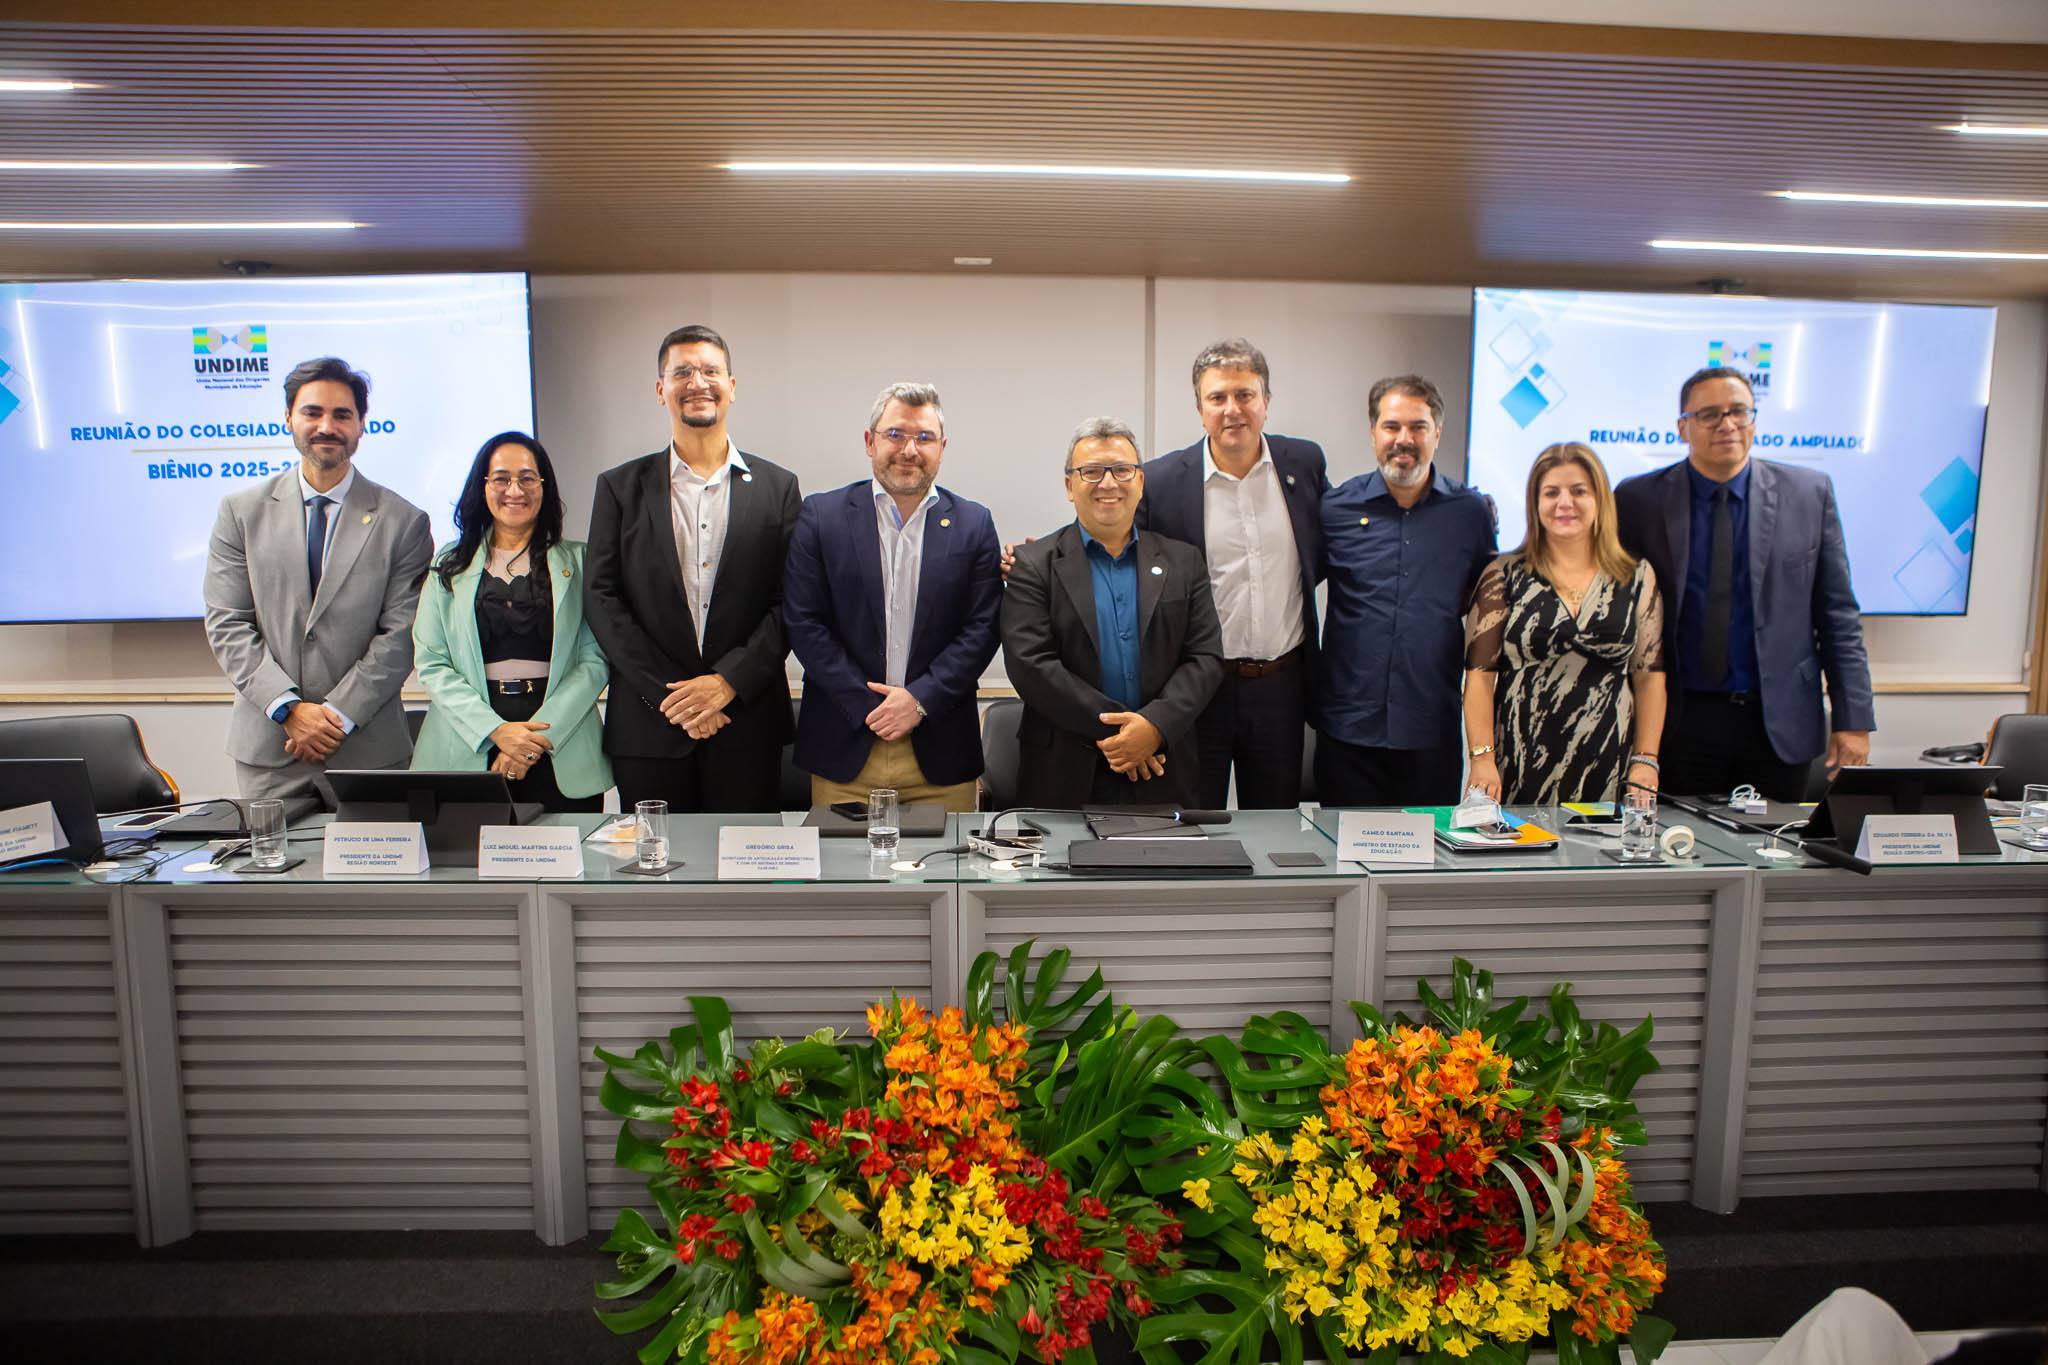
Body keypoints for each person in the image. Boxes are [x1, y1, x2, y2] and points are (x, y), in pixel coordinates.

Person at [1614, 365, 1875, 802]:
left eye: (1739, 411)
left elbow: (1838, 616)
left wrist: (1853, 720)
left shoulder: (1809, 494)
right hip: (1677, 723)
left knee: (1777, 843)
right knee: (1677, 842)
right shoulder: (1639, 499)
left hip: (1777, 722)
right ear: (1682, 427)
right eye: (1709, 414)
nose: (1727, 424)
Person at [583, 324, 801, 812]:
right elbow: (601, 598)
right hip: (649, 724)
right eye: (682, 372)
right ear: (660, 389)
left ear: (732, 386)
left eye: (710, 371)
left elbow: (791, 603)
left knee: (747, 859)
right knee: (656, 860)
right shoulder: (620, 487)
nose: (697, 382)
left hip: (746, 721)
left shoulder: (779, 487)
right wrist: (676, 697)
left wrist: (727, 683)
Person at [203, 356, 433, 807]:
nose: (327, 426)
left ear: (362, 425)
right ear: (288, 417)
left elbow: (402, 634)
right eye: (312, 412)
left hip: (367, 753)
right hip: (271, 752)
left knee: (376, 857)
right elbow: (228, 624)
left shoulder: (404, 521)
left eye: (342, 414)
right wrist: (288, 709)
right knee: (273, 857)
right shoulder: (240, 513)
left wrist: (337, 716)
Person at [782, 382, 1001, 812]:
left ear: (942, 448)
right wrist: (871, 707)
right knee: (842, 859)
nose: (909, 450)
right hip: (844, 747)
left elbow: (982, 628)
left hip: (941, 752)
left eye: (924, 437)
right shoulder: (822, 516)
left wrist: (918, 701)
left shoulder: (974, 524)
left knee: (948, 858)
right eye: (895, 434)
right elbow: (804, 621)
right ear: (870, 442)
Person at [1138, 338, 1328, 809]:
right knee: (1194, 822)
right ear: (1199, 409)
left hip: (1281, 685)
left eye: (1245, 394)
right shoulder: (1161, 481)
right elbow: (1117, 553)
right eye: (1217, 397)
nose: (1232, 409)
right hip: (1198, 688)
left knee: (1276, 825)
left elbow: (1336, 542)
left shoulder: (1304, 465)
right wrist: (1042, 556)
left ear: (1266, 401)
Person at [1001, 417, 1223, 809]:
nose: (1108, 483)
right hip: (1064, 771)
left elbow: (1205, 657)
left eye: (1122, 470)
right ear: (1069, 486)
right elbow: (1030, 666)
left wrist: (1154, 727)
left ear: (1140, 482)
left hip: (1163, 766)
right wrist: (1127, 734)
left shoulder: (1184, 561)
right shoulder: (1033, 564)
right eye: (1091, 471)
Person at [1315, 374, 1497, 806]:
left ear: (1438, 434)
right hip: (1348, 730)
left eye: (1418, 427)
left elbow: (1486, 611)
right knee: (1343, 846)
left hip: (1430, 729)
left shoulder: (1470, 513)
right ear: (1373, 432)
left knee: (1429, 848)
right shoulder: (1335, 509)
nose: (1404, 439)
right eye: (1392, 426)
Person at [409, 432, 611, 812]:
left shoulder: (581, 562)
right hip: (468, 740)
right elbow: (432, 663)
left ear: (544, 487)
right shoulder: (448, 564)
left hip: (558, 739)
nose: (515, 490)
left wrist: (531, 742)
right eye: (501, 478)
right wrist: (496, 731)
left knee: (566, 851)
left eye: (527, 478)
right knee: (469, 852)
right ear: (483, 486)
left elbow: (595, 660)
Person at [1462, 443, 1666, 804]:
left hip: (1609, 760)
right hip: (1520, 759)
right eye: (1551, 493)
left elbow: (1649, 677)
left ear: (1600, 499)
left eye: (1579, 491)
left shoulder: (1636, 576)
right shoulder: (1503, 574)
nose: (1565, 503)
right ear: (1535, 503)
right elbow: (1479, 677)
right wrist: (1482, 759)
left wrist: (1646, 760)